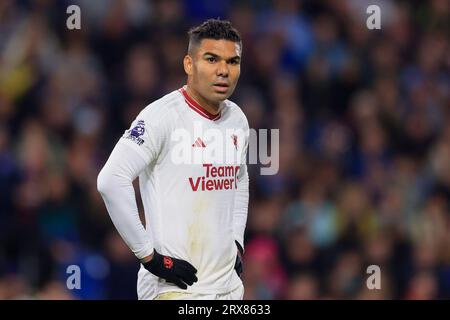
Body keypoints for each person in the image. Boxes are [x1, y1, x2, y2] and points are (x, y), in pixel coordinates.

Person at [97, 19, 249, 300]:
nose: (223, 71)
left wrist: (236, 242)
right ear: (189, 65)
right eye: (212, 59)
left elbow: (239, 178)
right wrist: (150, 257)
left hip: (227, 288)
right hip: (174, 289)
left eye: (233, 61)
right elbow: (110, 180)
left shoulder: (236, 118)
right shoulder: (160, 117)